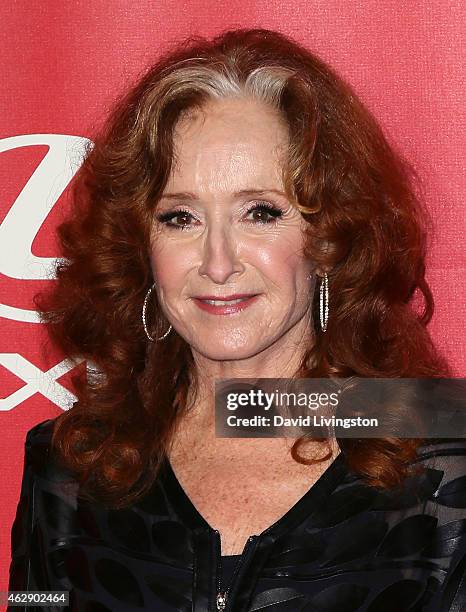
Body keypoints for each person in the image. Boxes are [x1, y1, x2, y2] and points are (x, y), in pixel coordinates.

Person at [7, 27, 466, 612]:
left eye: (261, 212)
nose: (218, 262)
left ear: (330, 236)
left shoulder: (443, 466)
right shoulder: (68, 465)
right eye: (180, 218)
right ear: (139, 247)